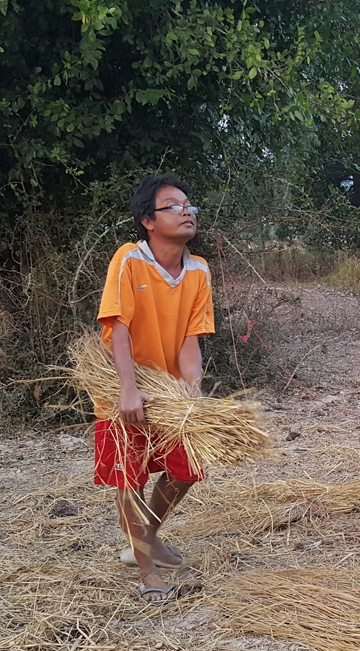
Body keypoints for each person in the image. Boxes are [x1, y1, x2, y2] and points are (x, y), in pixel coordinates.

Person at [94, 173, 214, 605]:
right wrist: (129, 388)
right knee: (129, 476)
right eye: (173, 205)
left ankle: (145, 537)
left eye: (189, 205)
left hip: (169, 390)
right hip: (124, 383)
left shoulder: (198, 270)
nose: (186, 211)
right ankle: (147, 569)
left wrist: (192, 396)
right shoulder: (128, 259)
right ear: (148, 219)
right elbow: (118, 329)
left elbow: (190, 340)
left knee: (186, 468)